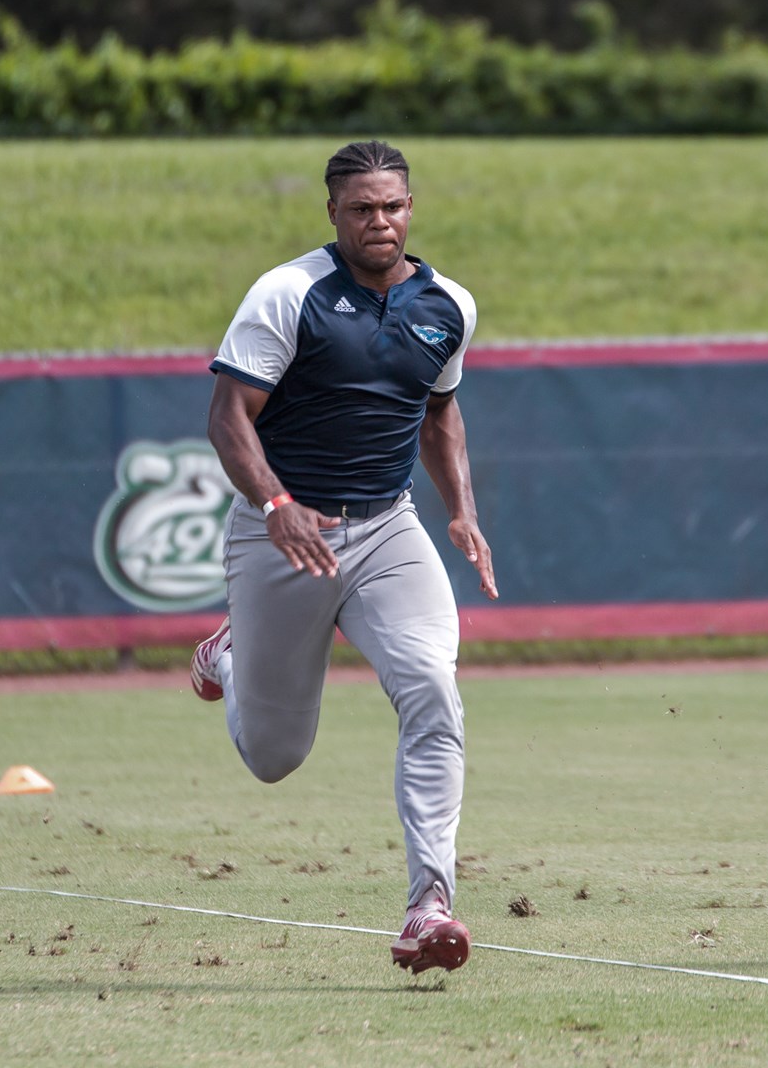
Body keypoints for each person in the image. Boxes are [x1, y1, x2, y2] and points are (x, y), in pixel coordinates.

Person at [191, 139, 498, 974]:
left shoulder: (448, 304)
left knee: (433, 686)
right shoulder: (289, 294)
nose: (380, 222)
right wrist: (277, 504)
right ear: (332, 212)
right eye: (362, 208)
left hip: (388, 528)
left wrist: (462, 512)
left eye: (393, 206)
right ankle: (229, 649)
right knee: (274, 757)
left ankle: (429, 905)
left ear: (411, 208)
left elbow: (439, 415)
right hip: (284, 531)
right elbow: (228, 416)